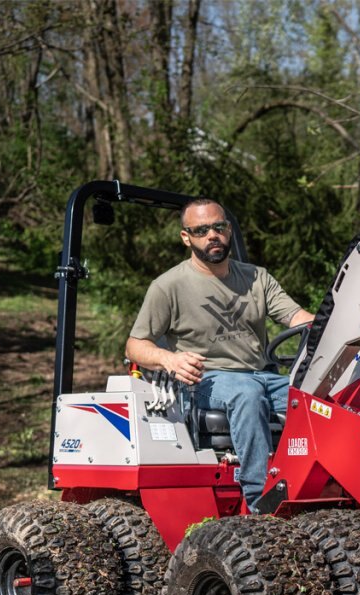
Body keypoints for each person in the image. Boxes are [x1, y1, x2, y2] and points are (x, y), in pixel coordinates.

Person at [126, 198, 314, 511]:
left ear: (228, 230)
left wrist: (336, 325)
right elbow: (135, 345)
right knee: (246, 393)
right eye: (201, 230)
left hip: (264, 376)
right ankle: (260, 503)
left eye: (218, 226)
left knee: (318, 395)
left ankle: (316, 488)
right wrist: (169, 359)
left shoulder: (256, 277)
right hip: (206, 381)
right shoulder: (168, 286)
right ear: (186, 237)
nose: (212, 235)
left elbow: (298, 318)